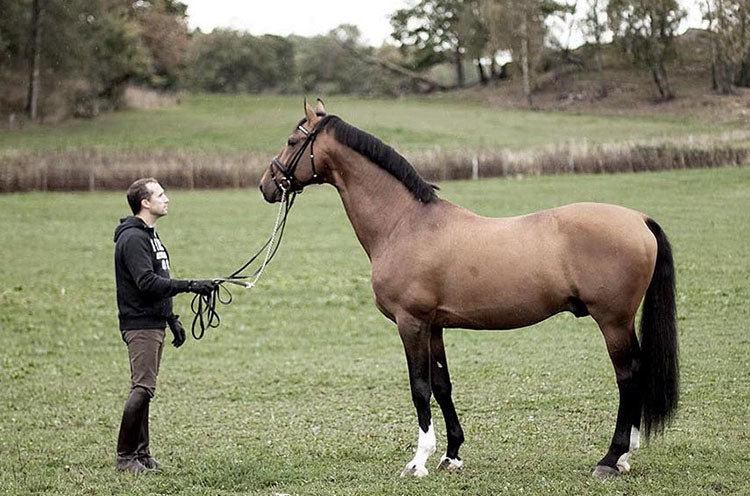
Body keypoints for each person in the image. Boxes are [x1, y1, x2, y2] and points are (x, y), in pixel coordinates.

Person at [113, 177, 216, 473]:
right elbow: (146, 282)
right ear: (145, 203)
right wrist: (191, 285)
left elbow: (157, 279)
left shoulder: (150, 235)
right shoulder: (133, 238)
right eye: (160, 194)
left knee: (145, 389)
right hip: (140, 323)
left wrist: (171, 319)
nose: (166, 198)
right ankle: (125, 458)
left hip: (155, 321)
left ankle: (142, 455)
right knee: (142, 388)